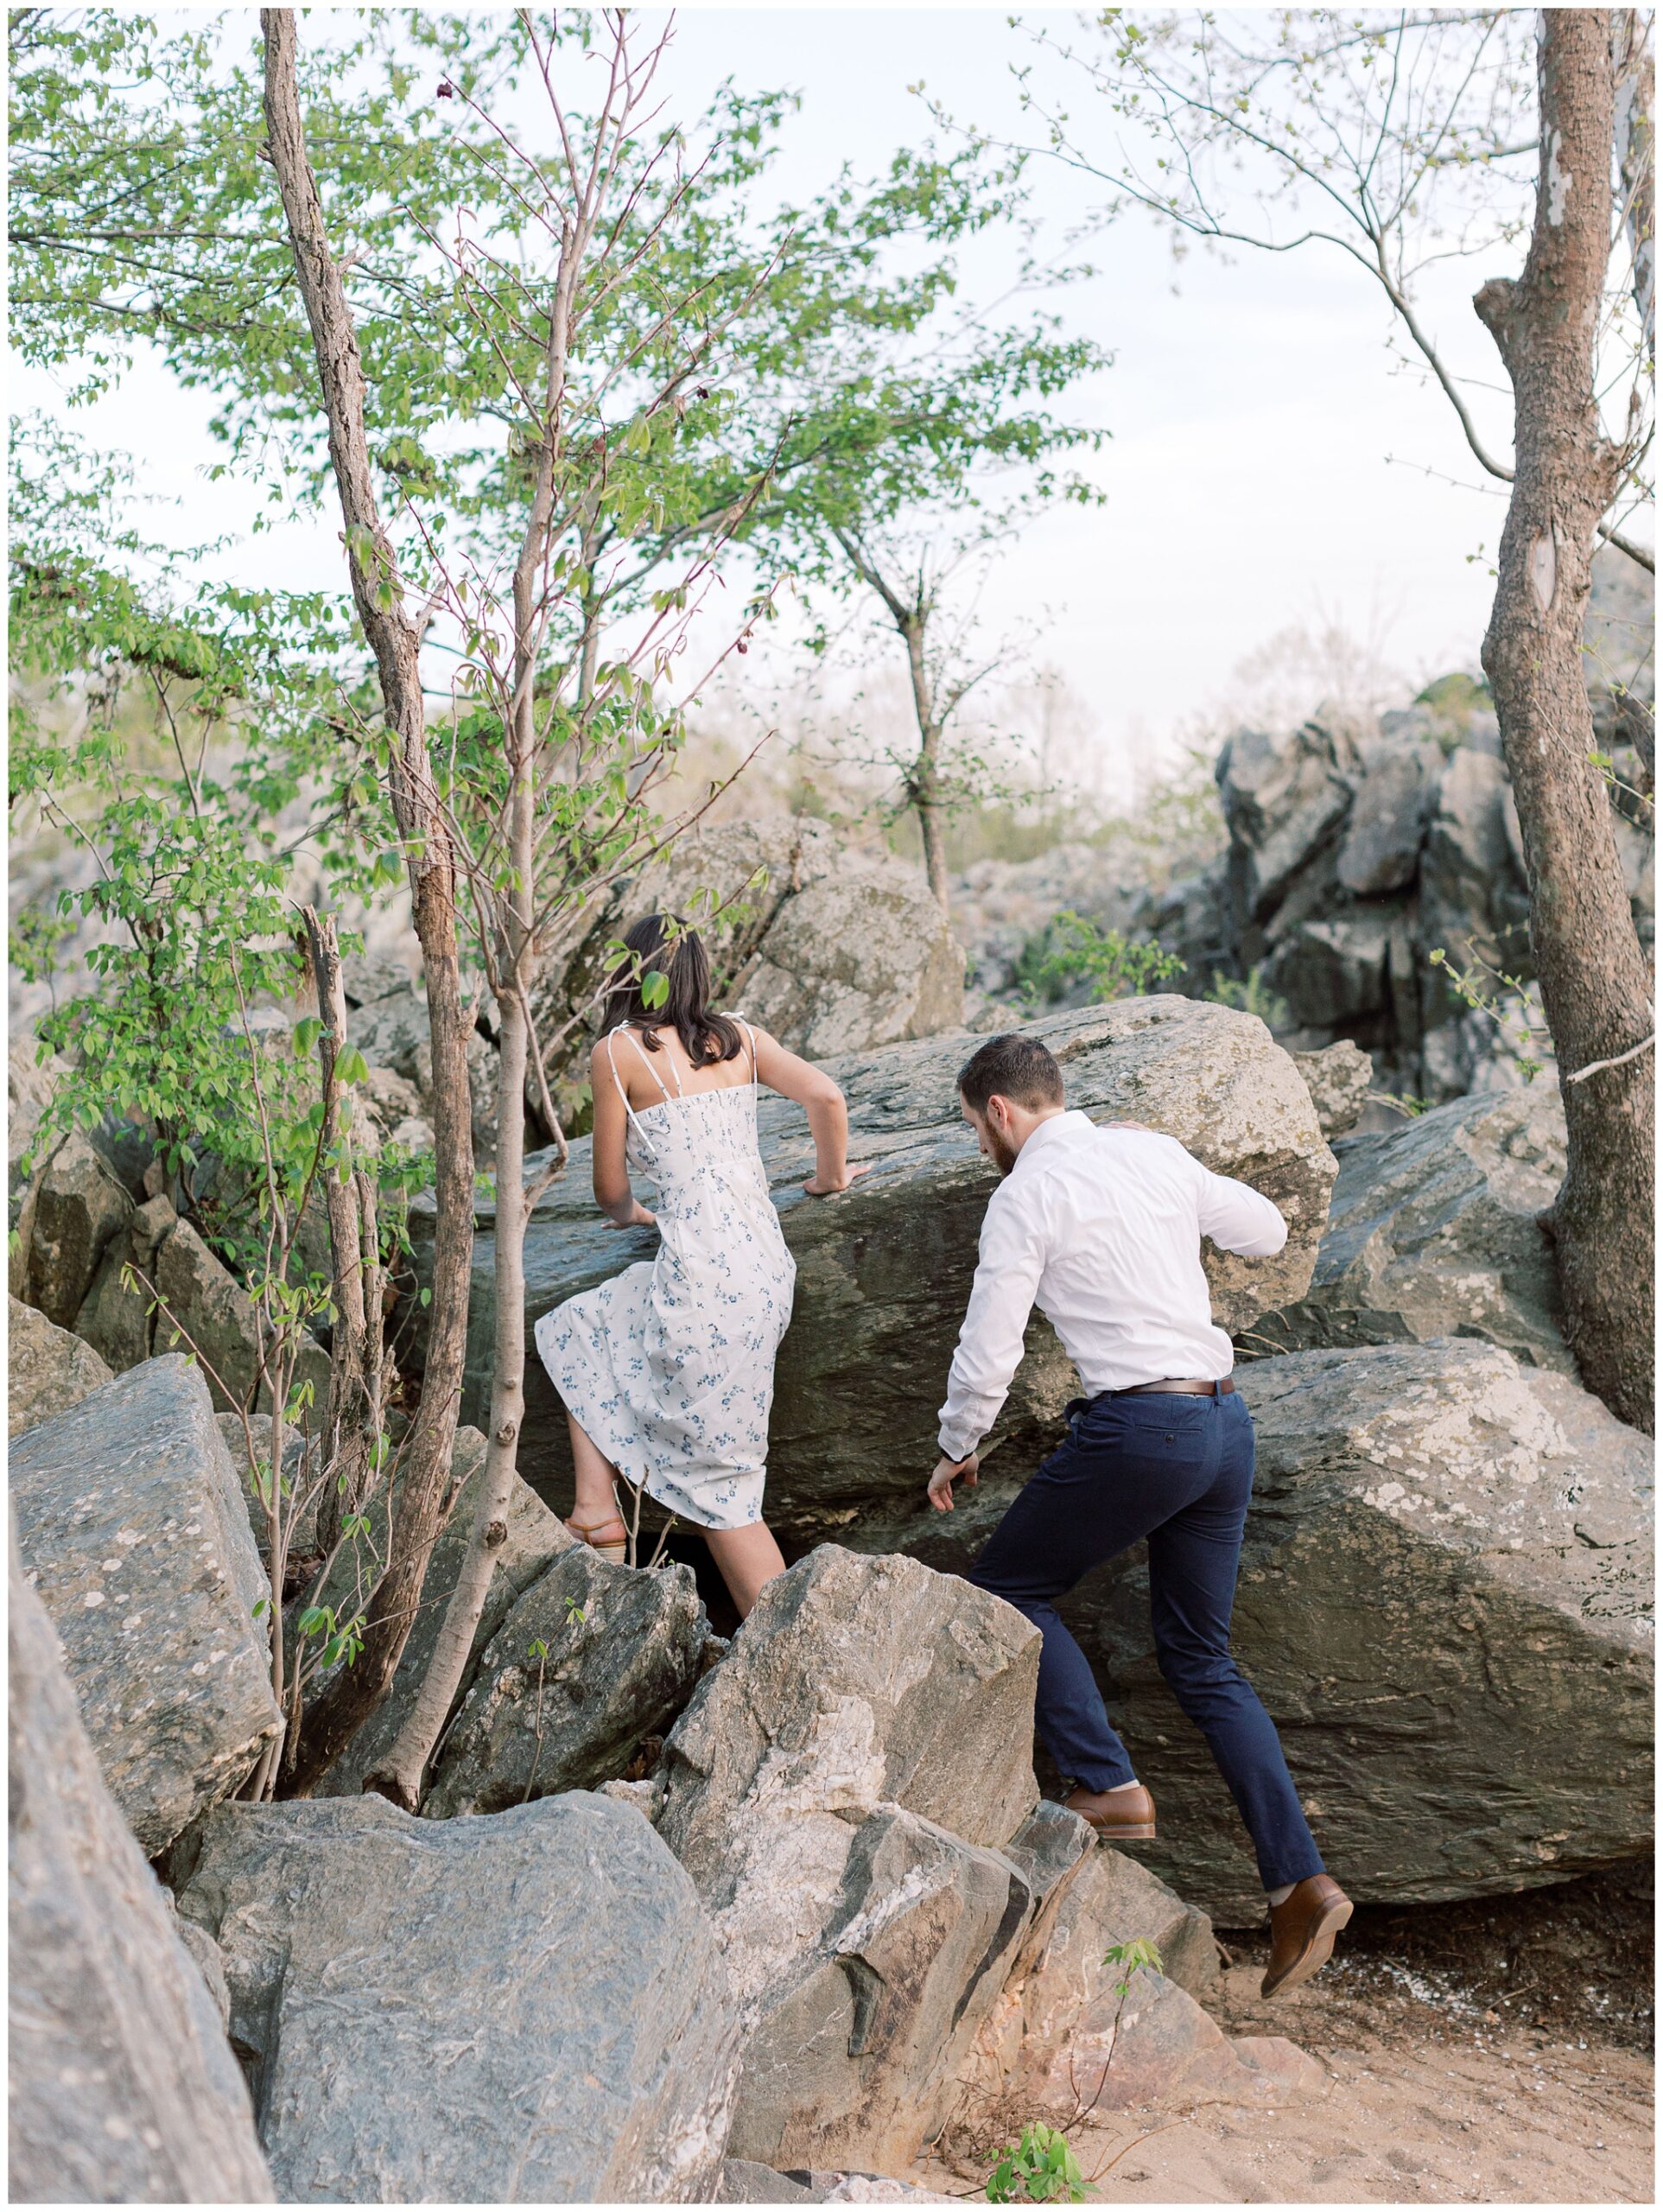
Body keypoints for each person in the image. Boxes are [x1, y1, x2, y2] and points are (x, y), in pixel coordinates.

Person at [926, 1032, 1351, 2000]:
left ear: (999, 1111)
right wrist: (1170, 1184)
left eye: (974, 1128)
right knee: (1201, 1658)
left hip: (1141, 1429)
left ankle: (1107, 1782)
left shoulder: (1025, 1194)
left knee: (1005, 1589)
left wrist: (958, 1441)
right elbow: (1265, 1232)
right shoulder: (1151, 1152)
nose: (980, 1146)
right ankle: (1299, 1883)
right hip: (1223, 1423)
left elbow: (990, 1342)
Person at [536, 913, 868, 1618]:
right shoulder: (740, 1037)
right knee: (579, 1321)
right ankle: (595, 1510)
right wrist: (829, 1179)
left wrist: (634, 1215)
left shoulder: (620, 1051)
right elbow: (826, 1096)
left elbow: (608, 1189)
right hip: (763, 1269)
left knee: (723, 1491)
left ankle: (783, 1650)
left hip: (701, 1280)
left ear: (629, 973)